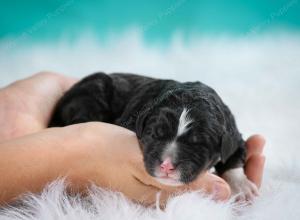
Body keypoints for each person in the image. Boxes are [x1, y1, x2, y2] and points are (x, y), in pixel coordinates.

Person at [0, 72, 266, 206]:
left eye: (194, 143)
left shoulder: (226, 132)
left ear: (221, 142)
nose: (167, 162)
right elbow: (117, 136)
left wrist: (234, 174)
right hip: (97, 93)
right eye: (156, 135)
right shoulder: (141, 113)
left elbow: (235, 151)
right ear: (143, 125)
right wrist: (73, 144)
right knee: (92, 95)